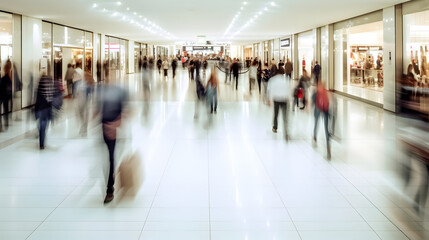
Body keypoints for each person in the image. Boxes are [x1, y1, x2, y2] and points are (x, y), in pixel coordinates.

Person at [96, 76, 128, 204]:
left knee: (110, 159)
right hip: (105, 128)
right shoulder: (103, 93)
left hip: (113, 131)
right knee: (107, 160)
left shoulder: (119, 93)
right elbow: (99, 110)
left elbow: (125, 112)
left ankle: (110, 189)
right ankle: (110, 185)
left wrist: (115, 126)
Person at [267, 65, 291, 140]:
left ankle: (275, 127)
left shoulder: (272, 80)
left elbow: (269, 90)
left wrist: (269, 99)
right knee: (285, 116)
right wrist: (289, 98)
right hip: (284, 99)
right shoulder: (286, 79)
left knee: (276, 114)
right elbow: (288, 89)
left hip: (276, 99)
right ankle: (286, 132)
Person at [34, 74, 54, 149]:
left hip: (40, 109)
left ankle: (41, 142)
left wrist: (35, 111)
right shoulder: (49, 88)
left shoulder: (39, 88)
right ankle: (42, 141)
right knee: (44, 125)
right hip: (46, 108)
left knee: (42, 125)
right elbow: (51, 100)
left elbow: (37, 100)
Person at [312, 80, 331, 159]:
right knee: (326, 128)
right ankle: (328, 145)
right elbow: (330, 103)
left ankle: (315, 136)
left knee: (316, 122)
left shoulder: (316, 92)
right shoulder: (326, 92)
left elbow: (313, 101)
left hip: (317, 109)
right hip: (325, 110)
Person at [0, 60, 12, 131]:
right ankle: (5, 123)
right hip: (6, 96)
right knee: (6, 109)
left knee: (5, 110)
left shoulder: (4, 78)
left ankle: (2, 125)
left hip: (3, 96)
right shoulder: (8, 78)